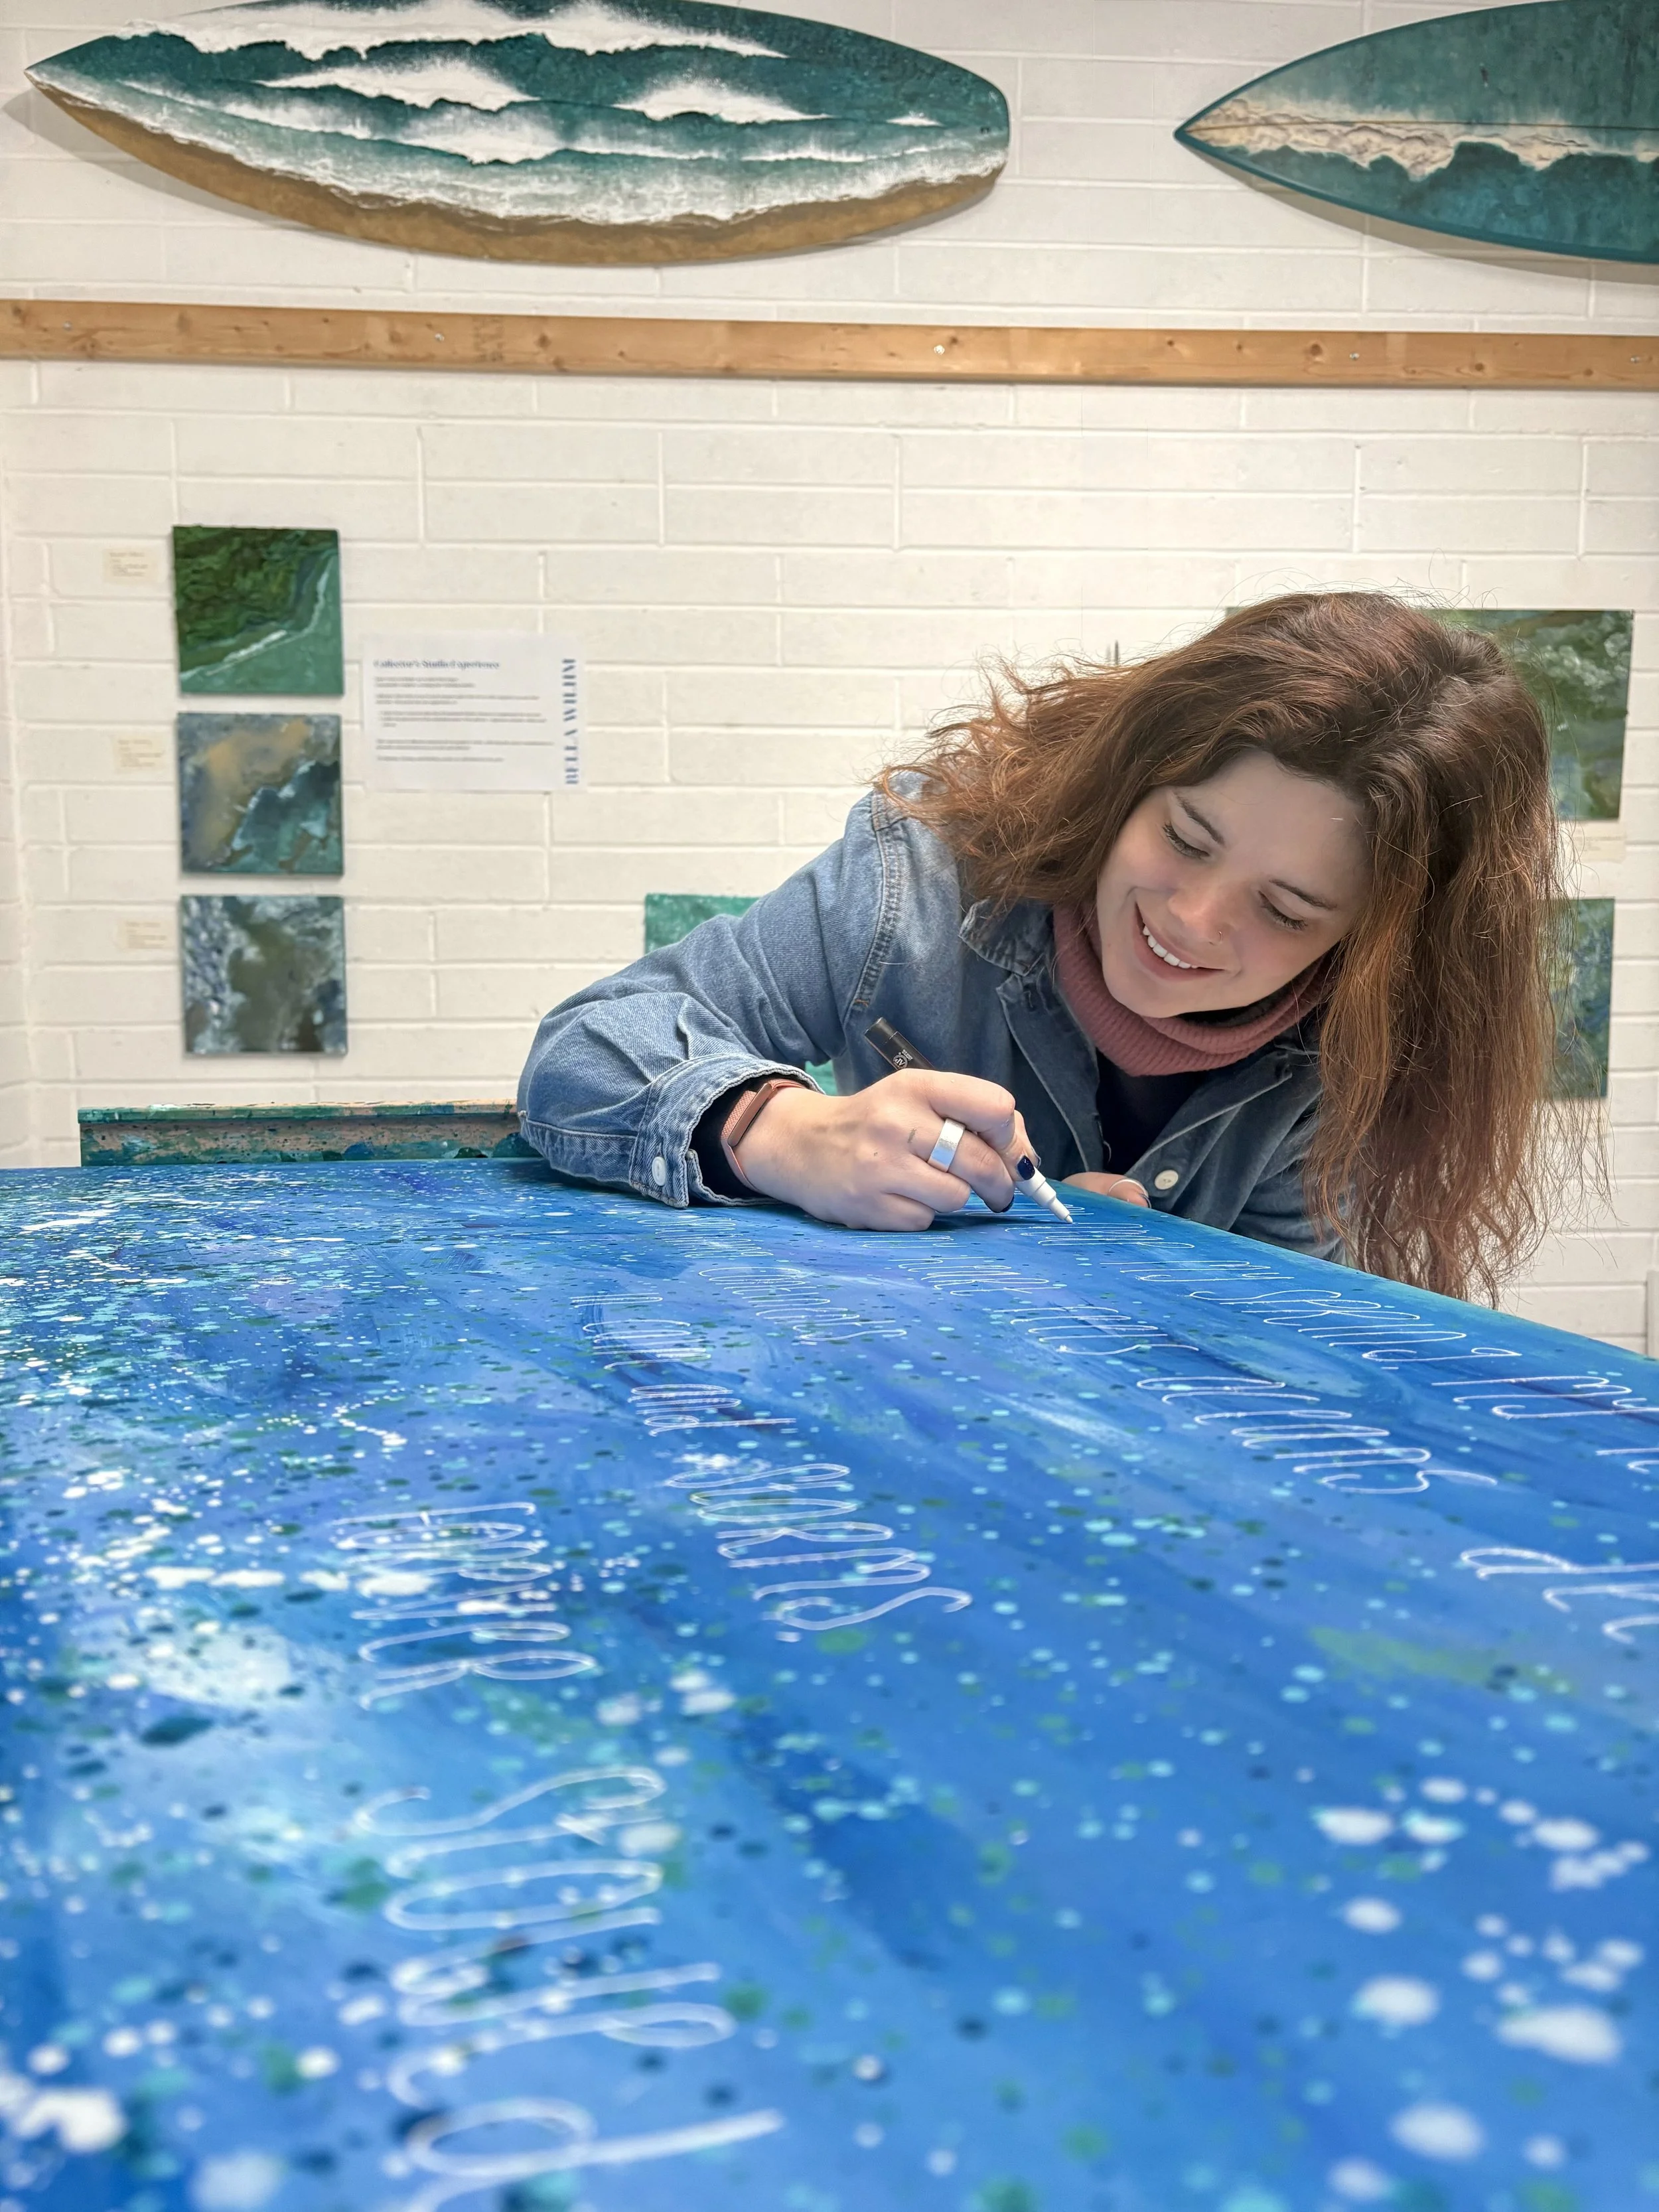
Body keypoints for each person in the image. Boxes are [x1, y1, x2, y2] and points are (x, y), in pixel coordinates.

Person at [518, 592, 1567, 1301]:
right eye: (1183, 837)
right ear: (1128, 784)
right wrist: (776, 1132)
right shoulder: (916, 881)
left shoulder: (1356, 1040)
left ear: (1373, 948)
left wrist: (1151, 1281)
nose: (1193, 923)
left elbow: (1274, 1348)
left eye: (1287, 912)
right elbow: (585, 1051)